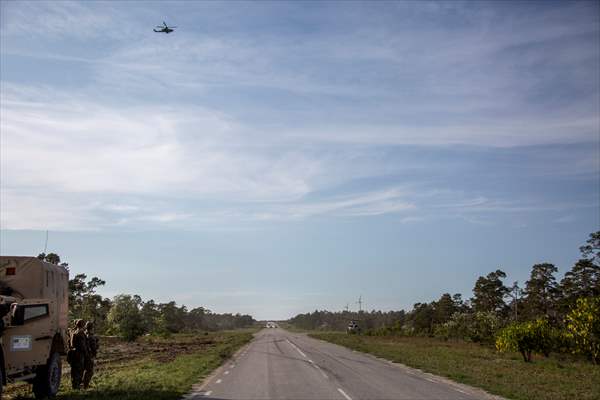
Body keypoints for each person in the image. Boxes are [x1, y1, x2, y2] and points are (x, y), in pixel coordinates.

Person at [67, 319, 89, 390]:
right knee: (79, 370)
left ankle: (74, 386)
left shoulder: (74, 332)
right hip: (79, 355)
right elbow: (83, 346)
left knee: (74, 371)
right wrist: (86, 354)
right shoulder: (81, 333)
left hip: (74, 353)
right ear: (82, 325)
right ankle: (77, 387)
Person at [82, 321, 99, 389]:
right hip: (89, 355)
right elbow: (93, 348)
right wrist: (94, 356)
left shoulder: (85, 334)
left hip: (85, 355)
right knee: (90, 371)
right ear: (92, 328)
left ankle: (84, 384)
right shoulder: (91, 336)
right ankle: (85, 386)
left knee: (86, 370)